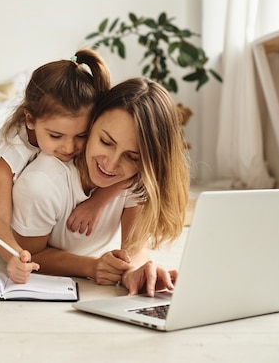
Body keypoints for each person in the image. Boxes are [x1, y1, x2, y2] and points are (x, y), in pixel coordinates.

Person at [10, 77, 190, 296]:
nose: (111, 164)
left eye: (132, 156)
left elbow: (134, 246)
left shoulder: (138, 176)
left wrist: (134, 271)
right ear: (91, 123)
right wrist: (92, 267)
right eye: (106, 142)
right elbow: (30, 255)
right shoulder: (41, 184)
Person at [0, 49, 122, 284]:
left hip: (54, 225)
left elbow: (134, 171)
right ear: (30, 120)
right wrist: (15, 255)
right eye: (56, 136)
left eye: (81, 135)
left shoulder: (92, 135)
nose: (69, 147)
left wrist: (98, 202)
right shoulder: (9, 148)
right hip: (14, 235)